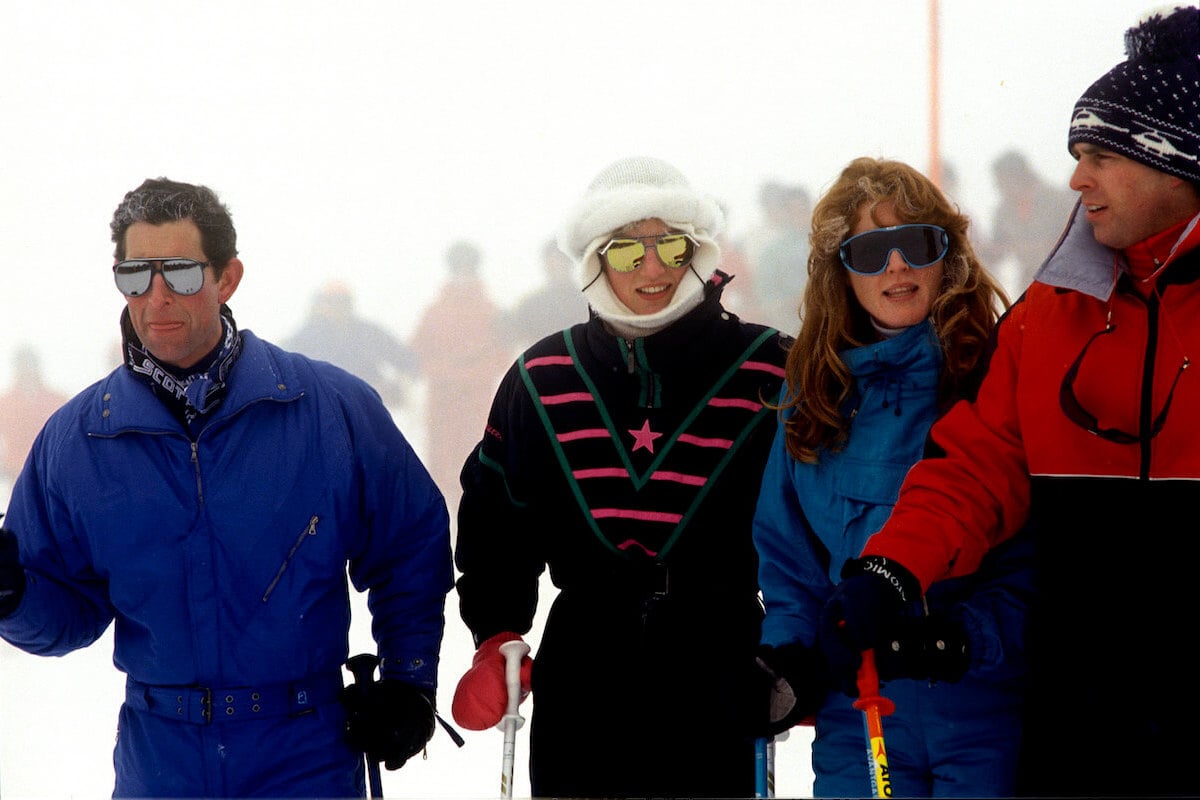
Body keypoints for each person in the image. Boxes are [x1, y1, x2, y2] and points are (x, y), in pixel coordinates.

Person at [817, 8, 1200, 797]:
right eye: (1074, 156)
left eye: (1099, 156)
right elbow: (975, 465)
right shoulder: (1048, 317)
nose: (1075, 179)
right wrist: (893, 569)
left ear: (1175, 164)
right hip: (1078, 713)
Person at [0, 178, 454, 798]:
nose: (156, 297)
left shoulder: (331, 409)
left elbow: (411, 548)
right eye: (135, 276)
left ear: (228, 278)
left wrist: (408, 679)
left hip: (306, 753)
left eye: (181, 274)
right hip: (159, 760)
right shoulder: (78, 440)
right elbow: (65, 615)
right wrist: (12, 594)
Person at [448, 156, 791, 798]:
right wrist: (495, 631)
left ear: (700, 249)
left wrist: (803, 645)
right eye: (628, 252)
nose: (654, 268)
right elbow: (497, 517)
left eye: (671, 245)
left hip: (721, 659)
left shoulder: (771, 370)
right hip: (585, 663)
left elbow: (815, 520)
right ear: (594, 263)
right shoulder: (543, 377)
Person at [752, 157, 1030, 797]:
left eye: (915, 243)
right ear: (841, 270)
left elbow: (1035, 551)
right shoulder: (813, 399)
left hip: (984, 707)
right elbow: (790, 561)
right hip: (861, 713)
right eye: (872, 250)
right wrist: (789, 657)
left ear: (948, 254)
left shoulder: (994, 377)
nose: (897, 267)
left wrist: (961, 641)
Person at [409, 239, 509, 516]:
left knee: (480, 461)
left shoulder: (492, 312)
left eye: (469, 266)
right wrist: (445, 373)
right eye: (459, 266)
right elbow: (416, 355)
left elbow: (503, 354)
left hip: (477, 404)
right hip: (443, 404)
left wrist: (468, 375)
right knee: (441, 468)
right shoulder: (435, 312)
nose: (464, 273)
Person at [282, 280, 419, 412]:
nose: (338, 307)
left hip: (364, 407)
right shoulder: (306, 337)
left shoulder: (367, 332)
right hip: (324, 407)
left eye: (342, 301)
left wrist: (397, 386)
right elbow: (284, 370)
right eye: (333, 302)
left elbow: (404, 359)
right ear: (322, 304)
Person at [982, 149, 1076, 297]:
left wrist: (1034, 247)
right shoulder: (1003, 211)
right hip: (1028, 282)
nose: (1001, 188)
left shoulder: (1057, 201)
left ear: (1021, 176)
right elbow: (998, 246)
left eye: (1004, 181)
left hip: (1066, 282)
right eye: (999, 183)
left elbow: (1073, 241)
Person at [499, 237, 591, 355]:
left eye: (560, 262)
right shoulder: (530, 305)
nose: (557, 268)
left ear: (569, 264)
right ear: (545, 266)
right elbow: (517, 336)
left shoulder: (588, 301)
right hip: (544, 364)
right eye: (552, 264)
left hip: (582, 362)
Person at [0, 344, 68, 492]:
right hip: (15, 477)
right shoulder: (5, 403)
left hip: (51, 477)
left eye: (29, 365)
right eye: (22, 366)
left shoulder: (58, 401)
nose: (27, 371)